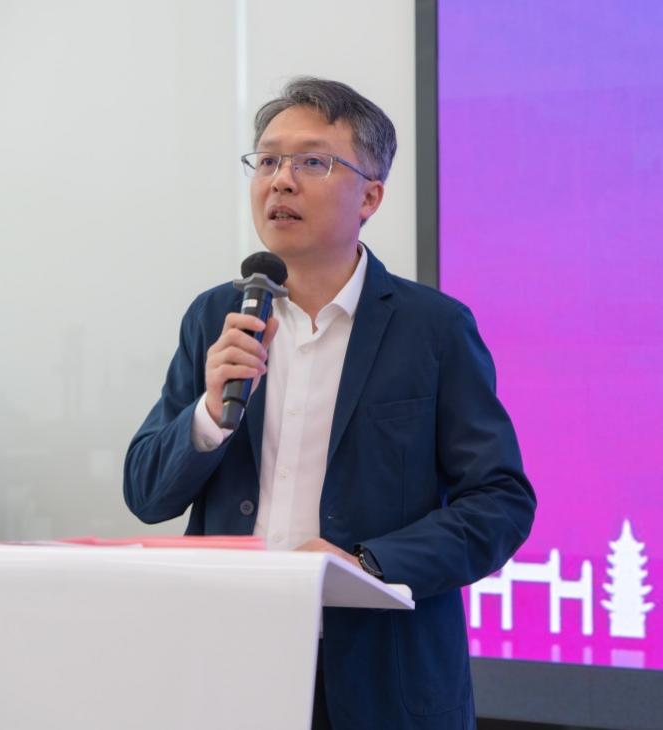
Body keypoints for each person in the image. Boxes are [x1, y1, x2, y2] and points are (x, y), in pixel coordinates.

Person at [123, 77, 536, 729]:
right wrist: (206, 415)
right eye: (267, 161)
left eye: (311, 161)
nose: (281, 181)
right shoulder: (216, 317)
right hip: (234, 669)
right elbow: (147, 493)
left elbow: (500, 502)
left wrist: (367, 566)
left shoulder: (432, 329)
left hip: (384, 681)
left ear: (369, 195)